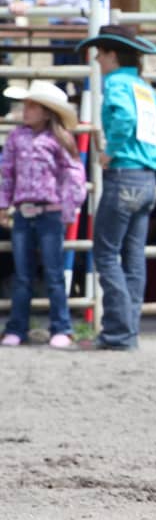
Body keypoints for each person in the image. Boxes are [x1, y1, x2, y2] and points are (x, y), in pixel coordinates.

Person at [80, 24, 156, 351]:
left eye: (101, 53)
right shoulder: (143, 88)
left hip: (123, 176)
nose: (98, 59)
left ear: (113, 55)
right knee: (133, 258)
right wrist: (148, 150)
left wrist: (113, 150)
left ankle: (117, 332)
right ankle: (128, 331)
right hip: (147, 178)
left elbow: (121, 120)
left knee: (106, 254)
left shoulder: (116, 84)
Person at [1, 81, 86, 349]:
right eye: (26, 105)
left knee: (53, 273)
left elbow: (73, 175)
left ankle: (61, 326)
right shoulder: (16, 138)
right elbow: (6, 173)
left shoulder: (59, 139)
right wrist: (3, 205)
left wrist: (70, 206)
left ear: (47, 112)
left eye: (33, 106)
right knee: (23, 275)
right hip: (24, 214)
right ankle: (18, 327)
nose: (26, 110)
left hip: (51, 214)